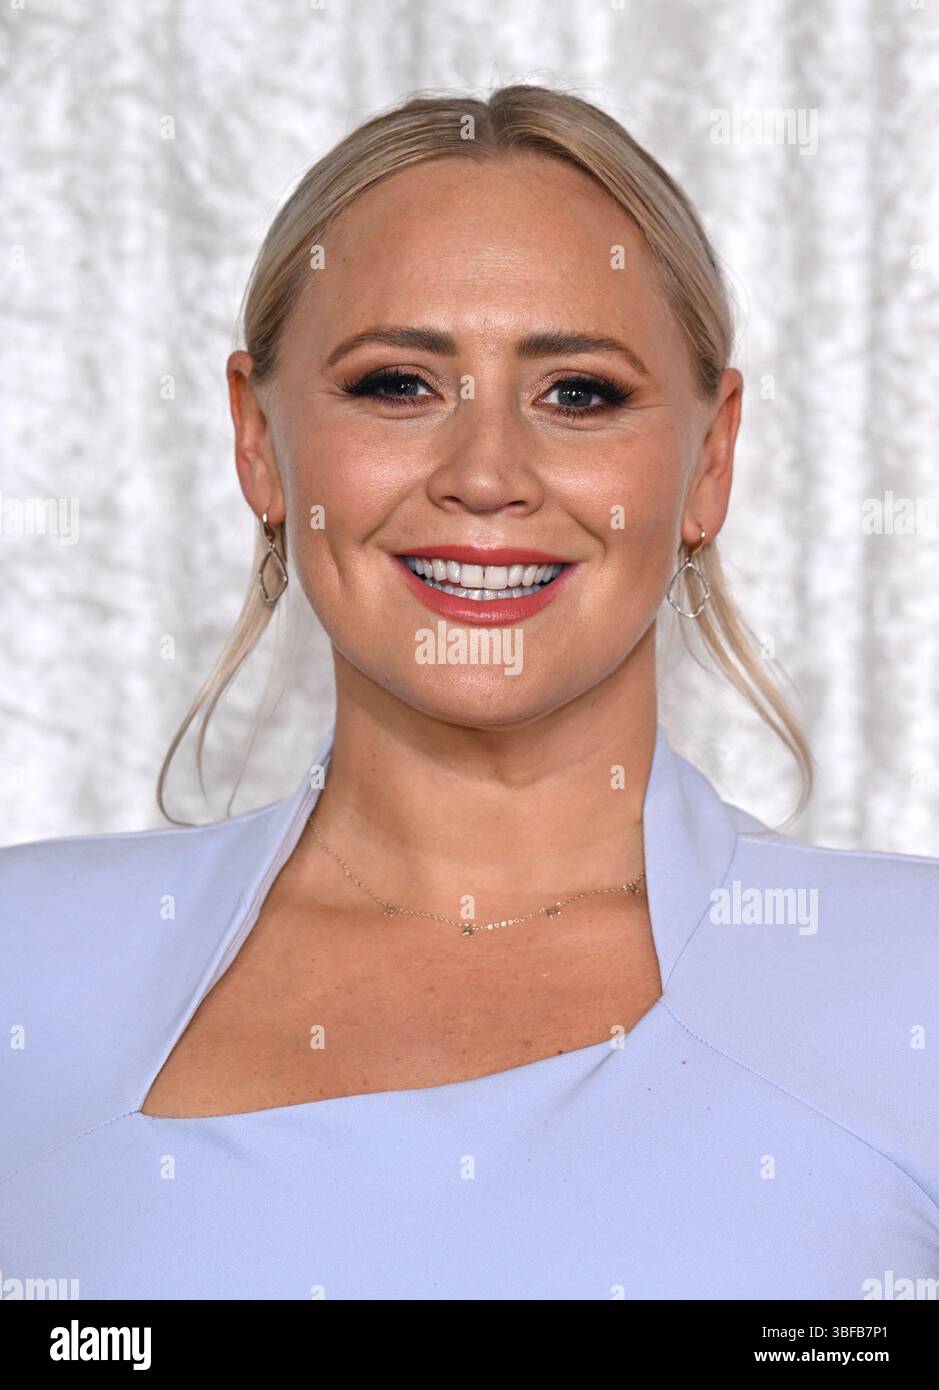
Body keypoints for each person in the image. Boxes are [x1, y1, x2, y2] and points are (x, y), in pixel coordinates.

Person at [2, 85, 937, 1301]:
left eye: (579, 393)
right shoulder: (26, 965)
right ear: (254, 440)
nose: (486, 473)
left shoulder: (913, 981)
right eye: (398, 383)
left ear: (711, 463)